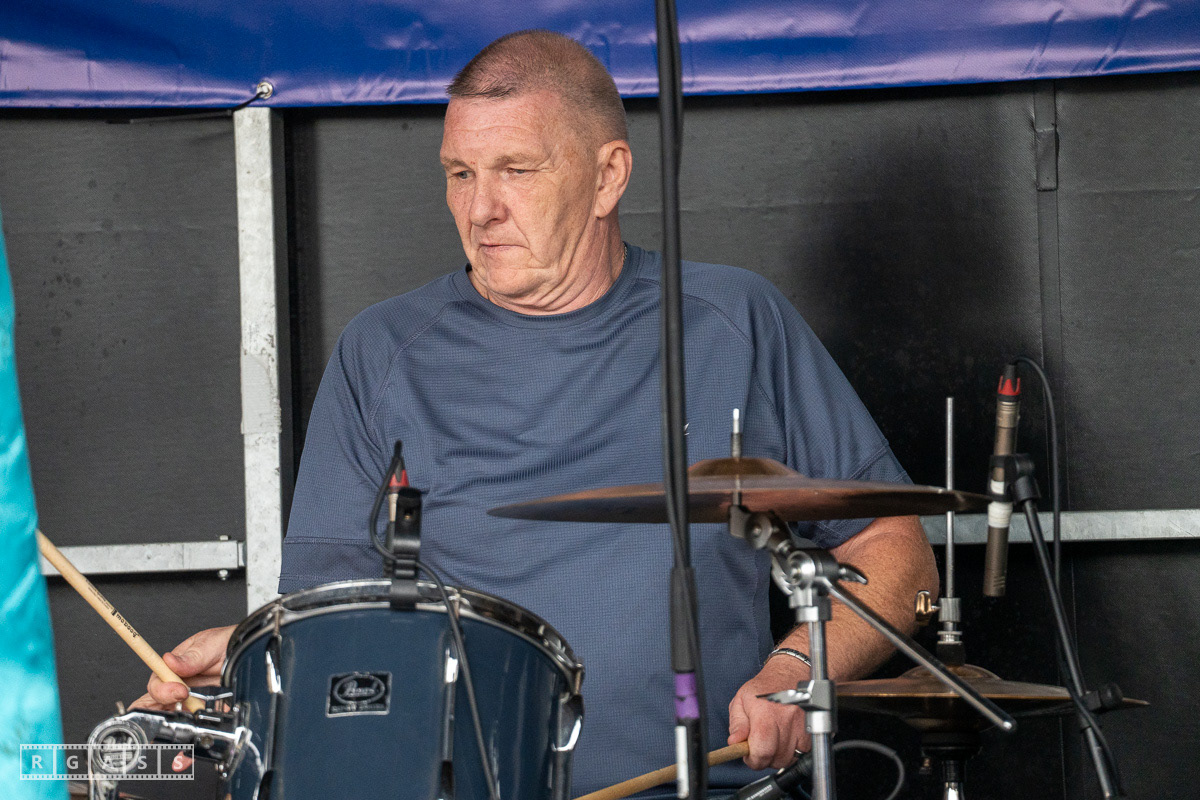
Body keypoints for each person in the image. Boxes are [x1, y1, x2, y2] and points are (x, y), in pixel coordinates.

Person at [136, 29, 937, 796]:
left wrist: (795, 671)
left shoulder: (733, 323)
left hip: (708, 788)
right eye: (459, 173)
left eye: (515, 169)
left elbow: (895, 549)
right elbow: (330, 620)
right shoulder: (381, 351)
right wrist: (255, 660)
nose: (480, 208)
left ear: (608, 176)